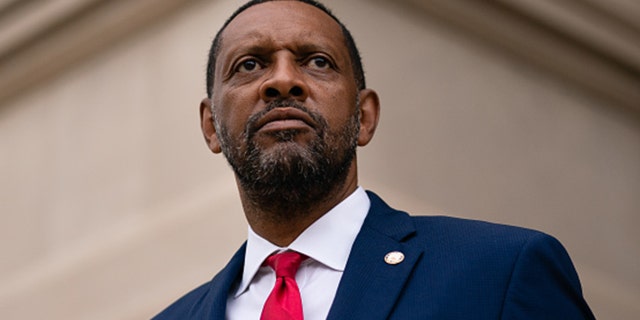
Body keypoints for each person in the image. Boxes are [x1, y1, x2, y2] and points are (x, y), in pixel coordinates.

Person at [154, 0, 595, 319]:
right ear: (211, 126)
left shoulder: (501, 271)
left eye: (317, 61)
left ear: (364, 117)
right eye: (249, 65)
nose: (283, 80)